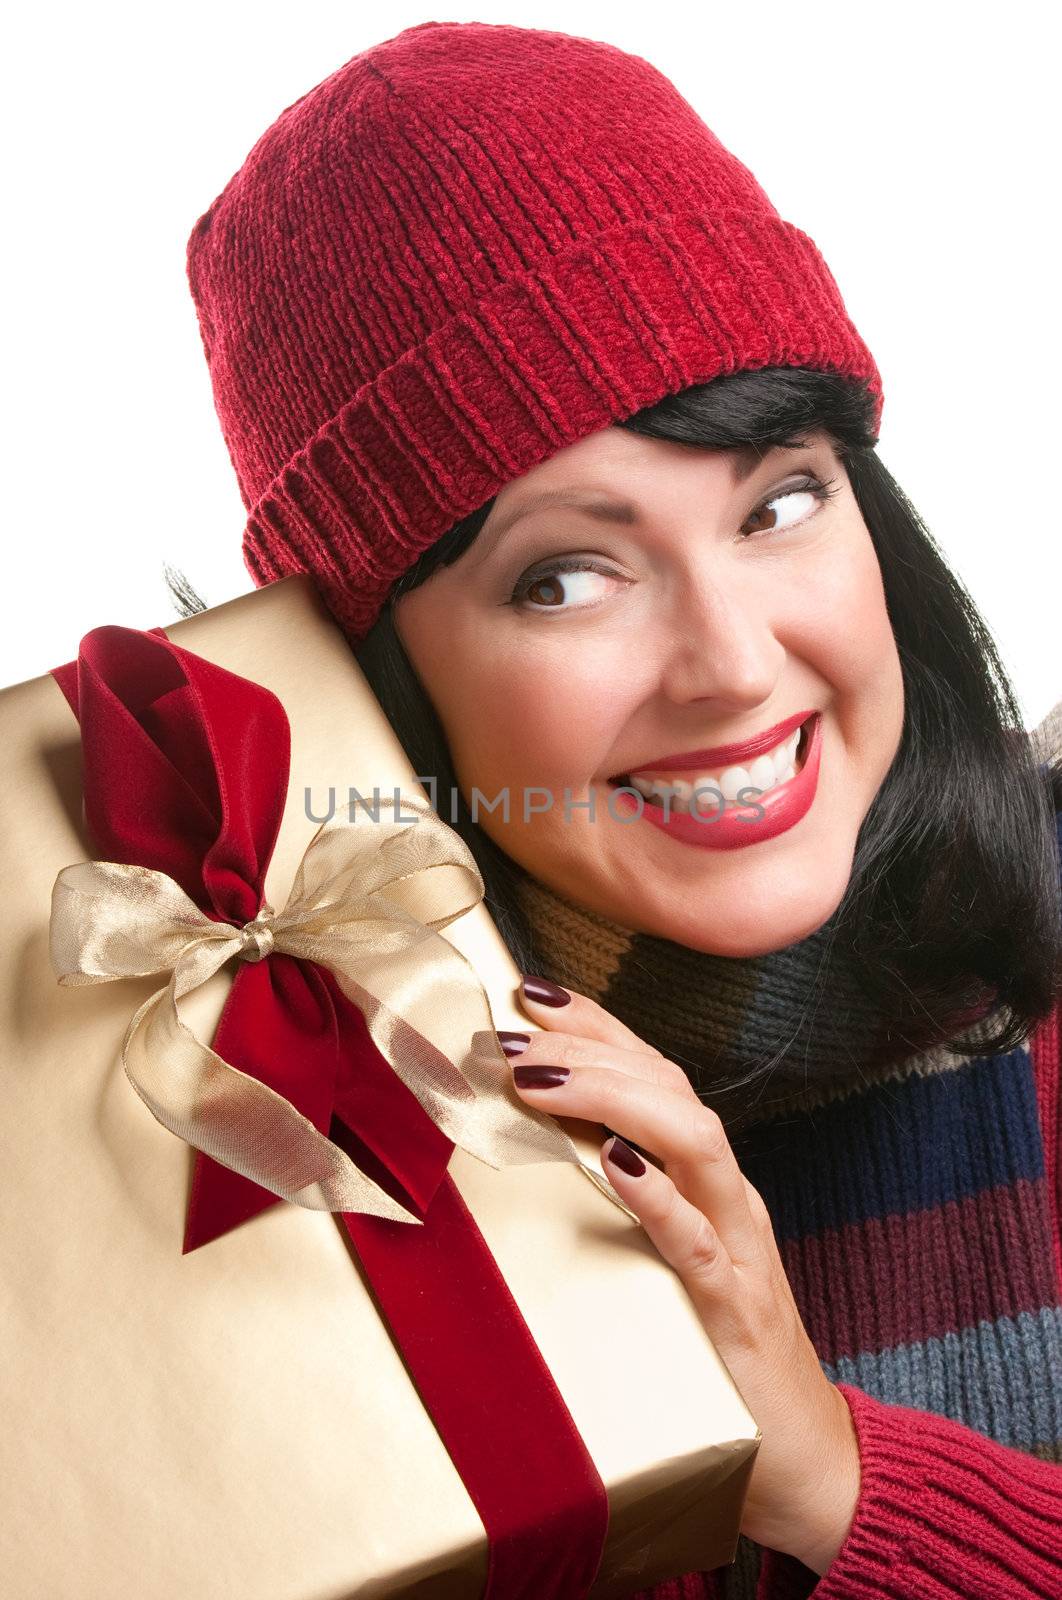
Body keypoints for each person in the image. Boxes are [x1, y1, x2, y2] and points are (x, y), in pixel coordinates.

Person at [183, 19, 1062, 1596]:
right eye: (565, 575)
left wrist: (823, 1469)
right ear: (383, 678)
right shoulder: (278, 1137)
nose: (732, 665)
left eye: (778, 500)